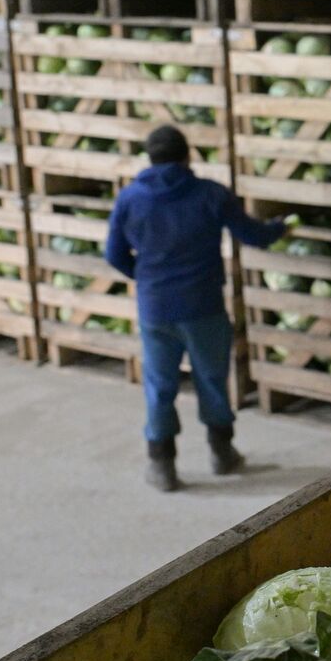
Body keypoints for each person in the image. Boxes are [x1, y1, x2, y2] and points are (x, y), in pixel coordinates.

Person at [105, 125, 287, 492]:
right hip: (203, 306)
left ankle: (162, 466)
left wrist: (144, 277)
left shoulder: (130, 199)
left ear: (150, 159)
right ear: (187, 156)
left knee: (159, 386)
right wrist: (279, 228)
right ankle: (222, 453)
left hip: (155, 308)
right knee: (211, 379)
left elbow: (114, 254)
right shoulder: (210, 195)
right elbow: (253, 235)